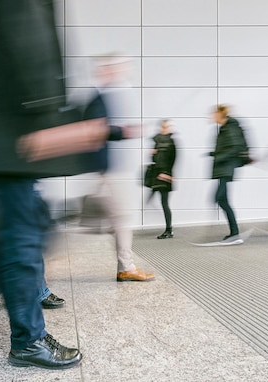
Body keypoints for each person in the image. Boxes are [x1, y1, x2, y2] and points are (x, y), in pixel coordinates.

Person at [0, 0, 109, 369]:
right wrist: (51, 120)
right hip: (19, 136)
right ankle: (28, 341)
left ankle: (28, 331)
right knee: (22, 244)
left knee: (24, 236)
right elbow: (30, 44)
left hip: (12, 138)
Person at [82, 56, 155, 282]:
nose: (122, 70)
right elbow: (95, 130)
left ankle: (125, 265)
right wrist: (125, 131)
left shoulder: (107, 97)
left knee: (119, 218)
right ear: (105, 70)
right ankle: (126, 267)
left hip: (112, 169)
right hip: (110, 169)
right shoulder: (98, 98)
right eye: (116, 66)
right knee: (123, 218)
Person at [210, 105, 244, 245]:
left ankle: (235, 234)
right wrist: (214, 154)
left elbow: (234, 148)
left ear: (220, 114)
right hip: (223, 168)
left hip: (226, 168)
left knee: (220, 198)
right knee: (222, 199)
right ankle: (234, 232)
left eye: (214, 113)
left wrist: (219, 157)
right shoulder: (224, 129)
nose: (212, 116)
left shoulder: (229, 128)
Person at [150, 119, 177, 239]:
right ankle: (168, 229)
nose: (168, 129)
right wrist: (153, 154)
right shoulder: (157, 141)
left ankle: (169, 230)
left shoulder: (171, 143)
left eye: (169, 127)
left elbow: (173, 160)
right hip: (157, 175)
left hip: (165, 176)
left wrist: (167, 173)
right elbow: (156, 159)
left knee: (164, 203)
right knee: (160, 201)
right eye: (165, 127)